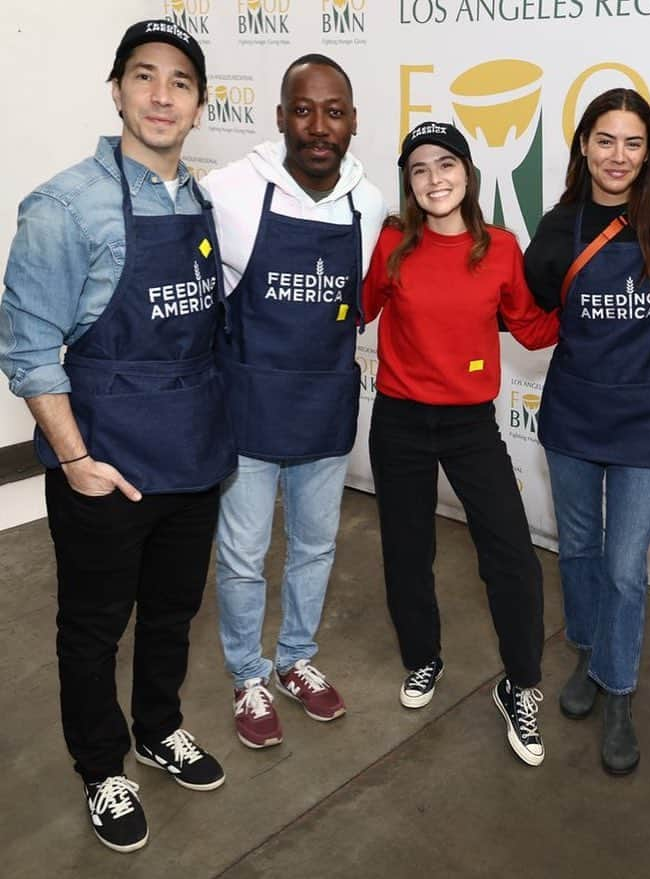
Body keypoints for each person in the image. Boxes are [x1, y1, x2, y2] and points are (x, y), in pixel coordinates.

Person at [0, 21, 231, 853]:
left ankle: (157, 727)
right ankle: (102, 768)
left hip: (193, 461)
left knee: (173, 613)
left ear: (200, 102)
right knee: (94, 628)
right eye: (144, 76)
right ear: (118, 90)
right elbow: (27, 350)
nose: (162, 95)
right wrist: (75, 460)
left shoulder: (199, 199)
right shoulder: (67, 205)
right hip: (105, 466)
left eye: (179, 81)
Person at [202, 55, 386, 749]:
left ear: (351, 122)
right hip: (248, 408)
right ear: (279, 116)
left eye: (332, 111)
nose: (318, 126)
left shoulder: (368, 204)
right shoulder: (230, 190)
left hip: (324, 408)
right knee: (244, 554)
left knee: (313, 546)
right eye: (302, 110)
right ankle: (248, 673)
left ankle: (295, 660)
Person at [362, 121, 558, 767]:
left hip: (469, 422)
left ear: (468, 173)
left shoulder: (499, 247)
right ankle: (423, 658)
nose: (434, 178)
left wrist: (597, 302)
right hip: (399, 421)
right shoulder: (392, 240)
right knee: (406, 551)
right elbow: (356, 307)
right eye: (419, 169)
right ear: (409, 183)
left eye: (446, 164)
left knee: (511, 556)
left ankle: (519, 684)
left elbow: (530, 327)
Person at [524, 88, 650, 775]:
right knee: (577, 549)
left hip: (646, 418)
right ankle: (588, 653)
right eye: (605, 140)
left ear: (648, 150)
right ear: (582, 146)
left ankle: (619, 690)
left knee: (626, 566)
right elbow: (530, 300)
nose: (618, 156)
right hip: (573, 414)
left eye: (632, 142)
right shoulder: (560, 223)